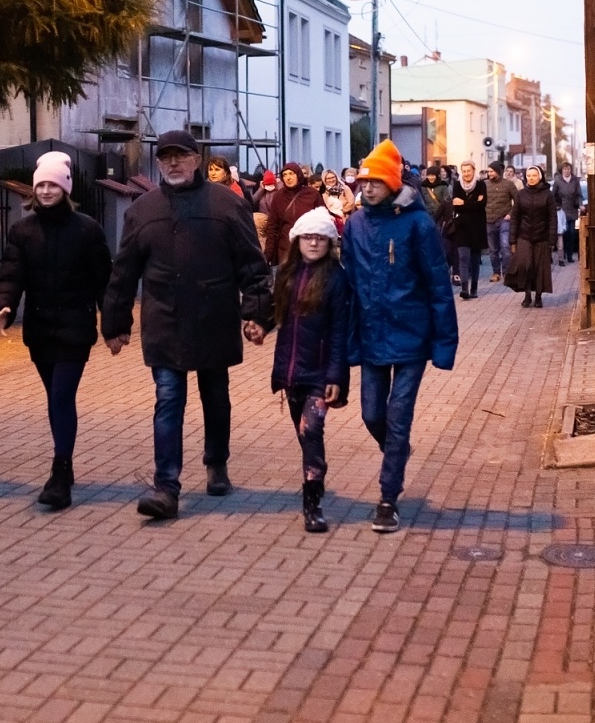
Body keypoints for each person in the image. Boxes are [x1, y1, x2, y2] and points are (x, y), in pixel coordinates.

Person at [102, 130, 273, 521]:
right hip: (165, 320)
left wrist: (258, 314)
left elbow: (252, 264)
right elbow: (124, 270)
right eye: (166, 158)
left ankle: (216, 463)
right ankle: (166, 486)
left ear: (196, 160)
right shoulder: (143, 210)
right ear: (158, 164)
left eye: (181, 156)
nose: (174, 164)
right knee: (168, 400)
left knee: (215, 397)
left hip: (214, 316)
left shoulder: (227, 206)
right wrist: (115, 322)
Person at [342, 140, 458, 533]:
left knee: (398, 416)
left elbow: (438, 285)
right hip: (372, 334)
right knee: (372, 413)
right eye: (362, 182)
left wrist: (444, 344)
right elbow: (348, 281)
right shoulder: (355, 224)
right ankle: (398, 451)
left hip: (411, 337)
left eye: (374, 181)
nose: (367, 188)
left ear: (392, 183)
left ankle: (388, 499)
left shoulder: (419, 223)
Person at [0, 151, 112, 510]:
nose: (45, 190)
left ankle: (60, 472)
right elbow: (11, 274)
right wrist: (4, 308)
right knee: (55, 398)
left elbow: (104, 280)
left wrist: (114, 324)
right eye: (40, 184)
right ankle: (64, 462)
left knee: (60, 396)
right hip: (40, 330)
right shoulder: (22, 230)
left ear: (65, 188)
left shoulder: (87, 229)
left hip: (75, 327)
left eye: (52, 185)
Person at [267, 207, 350, 534]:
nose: (314, 243)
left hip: (320, 373)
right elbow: (274, 315)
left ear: (329, 242)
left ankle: (312, 504)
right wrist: (257, 326)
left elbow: (340, 331)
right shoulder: (286, 276)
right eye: (308, 238)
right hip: (292, 372)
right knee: (304, 435)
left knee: (310, 431)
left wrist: (335, 377)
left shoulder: (337, 278)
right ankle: (316, 467)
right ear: (298, 240)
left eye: (320, 238)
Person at [508, 164, 558, 308]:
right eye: (528, 176)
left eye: (534, 175)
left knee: (539, 267)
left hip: (542, 237)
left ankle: (538, 296)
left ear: (540, 177)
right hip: (524, 236)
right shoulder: (521, 194)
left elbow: (552, 218)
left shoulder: (548, 195)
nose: (531, 178)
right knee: (525, 265)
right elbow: (515, 217)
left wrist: (551, 239)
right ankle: (527, 294)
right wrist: (512, 239)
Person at [262, 163, 322, 266]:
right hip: (286, 249)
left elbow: (323, 221)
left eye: (291, 174)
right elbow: (272, 227)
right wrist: (268, 255)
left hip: (309, 248)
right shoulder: (278, 197)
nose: (288, 178)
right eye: (284, 175)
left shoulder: (312, 194)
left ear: (298, 175)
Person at [450, 161, 488, 299]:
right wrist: (473, 203)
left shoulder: (480, 184)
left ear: (473, 170)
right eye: (464, 171)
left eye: (469, 171)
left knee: (475, 258)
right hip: (462, 226)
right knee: (463, 257)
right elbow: (456, 205)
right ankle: (464, 288)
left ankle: (474, 288)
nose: (466, 173)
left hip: (477, 226)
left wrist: (465, 202)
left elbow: (482, 204)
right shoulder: (457, 185)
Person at [483, 163, 516, 286]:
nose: (489, 174)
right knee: (492, 250)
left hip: (504, 220)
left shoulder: (508, 185)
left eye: (492, 171)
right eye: (488, 172)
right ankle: (496, 272)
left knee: (505, 247)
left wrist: (510, 214)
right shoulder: (484, 185)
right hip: (488, 220)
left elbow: (518, 201)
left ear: (498, 171)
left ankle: (507, 273)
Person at [551, 162, 583, 267]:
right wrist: (555, 206)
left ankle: (569, 255)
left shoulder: (575, 181)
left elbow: (579, 195)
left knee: (572, 232)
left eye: (568, 169)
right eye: (565, 169)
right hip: (561, 211)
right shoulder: (558, 181)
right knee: (563, 233)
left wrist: (580, 204)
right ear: (562, 170)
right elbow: (553, 196)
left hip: (572, 210)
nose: (567, 171)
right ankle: (562, 254)